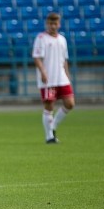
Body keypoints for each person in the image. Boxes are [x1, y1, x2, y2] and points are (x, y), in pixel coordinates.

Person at [32, 12, 75, 144]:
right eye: (50, 23)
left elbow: (64, 60)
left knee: (70, 104)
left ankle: (53, 126)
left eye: (55, 23)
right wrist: (43, 73)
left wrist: (67, 75)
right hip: (49, 80)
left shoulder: (62, 39)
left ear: (59, 24)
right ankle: (49, 136)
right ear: (47, 24)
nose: (52, 26)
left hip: (61, 77)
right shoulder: (41, 38)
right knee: (49, 105)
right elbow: (37, 57)